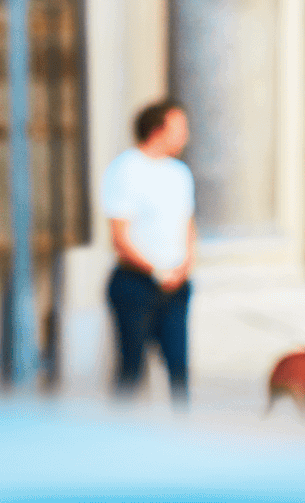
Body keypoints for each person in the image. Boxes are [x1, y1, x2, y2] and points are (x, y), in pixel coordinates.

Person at [101, 98, 196, 401]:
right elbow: (120, 236)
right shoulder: (126, 169)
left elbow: (188, 226)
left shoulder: (180, 174)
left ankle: (182, 435)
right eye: (179, 128)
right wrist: (156, 271)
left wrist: (184, 267)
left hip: (176, 285)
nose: (185, 136)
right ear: (157, 130)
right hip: (137, 283)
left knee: (179, 369)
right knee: (132, 369)